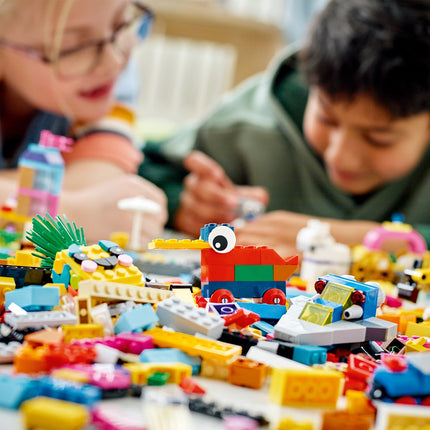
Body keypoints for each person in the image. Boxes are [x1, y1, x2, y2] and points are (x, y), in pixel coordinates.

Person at [139, 0, 430, 257]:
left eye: (378, 139)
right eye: (326, 119)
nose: (340, 156)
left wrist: (358, 241)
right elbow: (144, 168)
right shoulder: (246, 123)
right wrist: (184, 204)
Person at [0, 0, 167, 244]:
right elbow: (95, 206)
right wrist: (69, 213)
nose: (112, 61)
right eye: (73, 46)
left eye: (121, 25)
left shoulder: (109, 80)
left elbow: (101, 176)